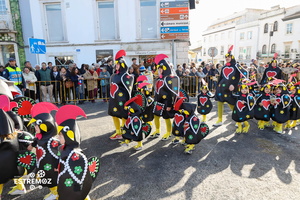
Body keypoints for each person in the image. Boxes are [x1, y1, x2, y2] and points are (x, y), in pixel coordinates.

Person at [55, 105, 99, 200]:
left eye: (61, 136)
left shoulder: (76, 155)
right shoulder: (63, 148)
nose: (58, 138)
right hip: (67, 183)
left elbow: (79, 176)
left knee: (80, 193)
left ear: (69, 136)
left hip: (73, 186)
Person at [213, 46, 247, 127]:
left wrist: (234, 85)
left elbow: (238, 77)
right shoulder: (224, 66)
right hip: (221, 88)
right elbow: (221, 77)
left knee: (232, 104)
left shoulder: (236, 66)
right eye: (226, 57)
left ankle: (238, 119)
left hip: (230, 88)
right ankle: (220, 120)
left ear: (232, 57)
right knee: (219, 103)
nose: (227, 58)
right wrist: (217, 87)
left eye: (228, 57)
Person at [150, 54, 180, 140]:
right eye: (158, 68)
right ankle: (157, 130)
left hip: (166, 103)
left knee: (166, 118)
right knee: (156, 116)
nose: (159, 70)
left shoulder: (169, 79)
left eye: (160, 69)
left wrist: (169, 105)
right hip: (158, 102)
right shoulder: (158, 79)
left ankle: (168, 132)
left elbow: (171, 94)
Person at [108, 50, 134, 140]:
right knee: (114, 115)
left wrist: (128, 102)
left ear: (122, 64)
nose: (116, 66)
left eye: (118, 64)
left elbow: (129, 90)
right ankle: (118, 131)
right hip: (114, 99)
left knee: (124, 116)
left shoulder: (126, 76)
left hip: (122, 100)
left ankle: (124, 132)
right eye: (116, 64)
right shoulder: (114, 75)